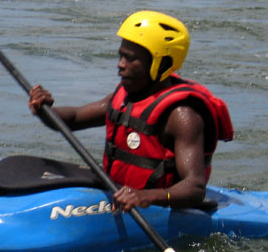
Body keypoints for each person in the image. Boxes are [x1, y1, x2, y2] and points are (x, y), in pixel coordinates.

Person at [28, 11, 233, 213]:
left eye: (130, 59)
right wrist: (44, 109)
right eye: (120, 56)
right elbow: (73, 119)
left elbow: (195, 188)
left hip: (159, 206)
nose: (120, 65)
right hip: (121, 195)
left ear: (161, 63)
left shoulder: (182, 115)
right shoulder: (127, 96)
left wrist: (145, 197)